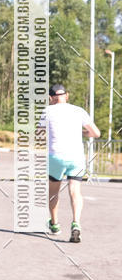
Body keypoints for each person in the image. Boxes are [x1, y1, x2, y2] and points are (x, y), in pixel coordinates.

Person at [46, 83, 100, 243]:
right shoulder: (79, 111)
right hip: (76, 157)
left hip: (56, 156)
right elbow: (96, 133)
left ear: (50, 98)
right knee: (75, 191)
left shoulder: (47, 111)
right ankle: (76, 222)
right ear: (67, 96)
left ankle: (55, 224)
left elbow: (39, 134)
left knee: (53, 192)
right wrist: (81, 132)